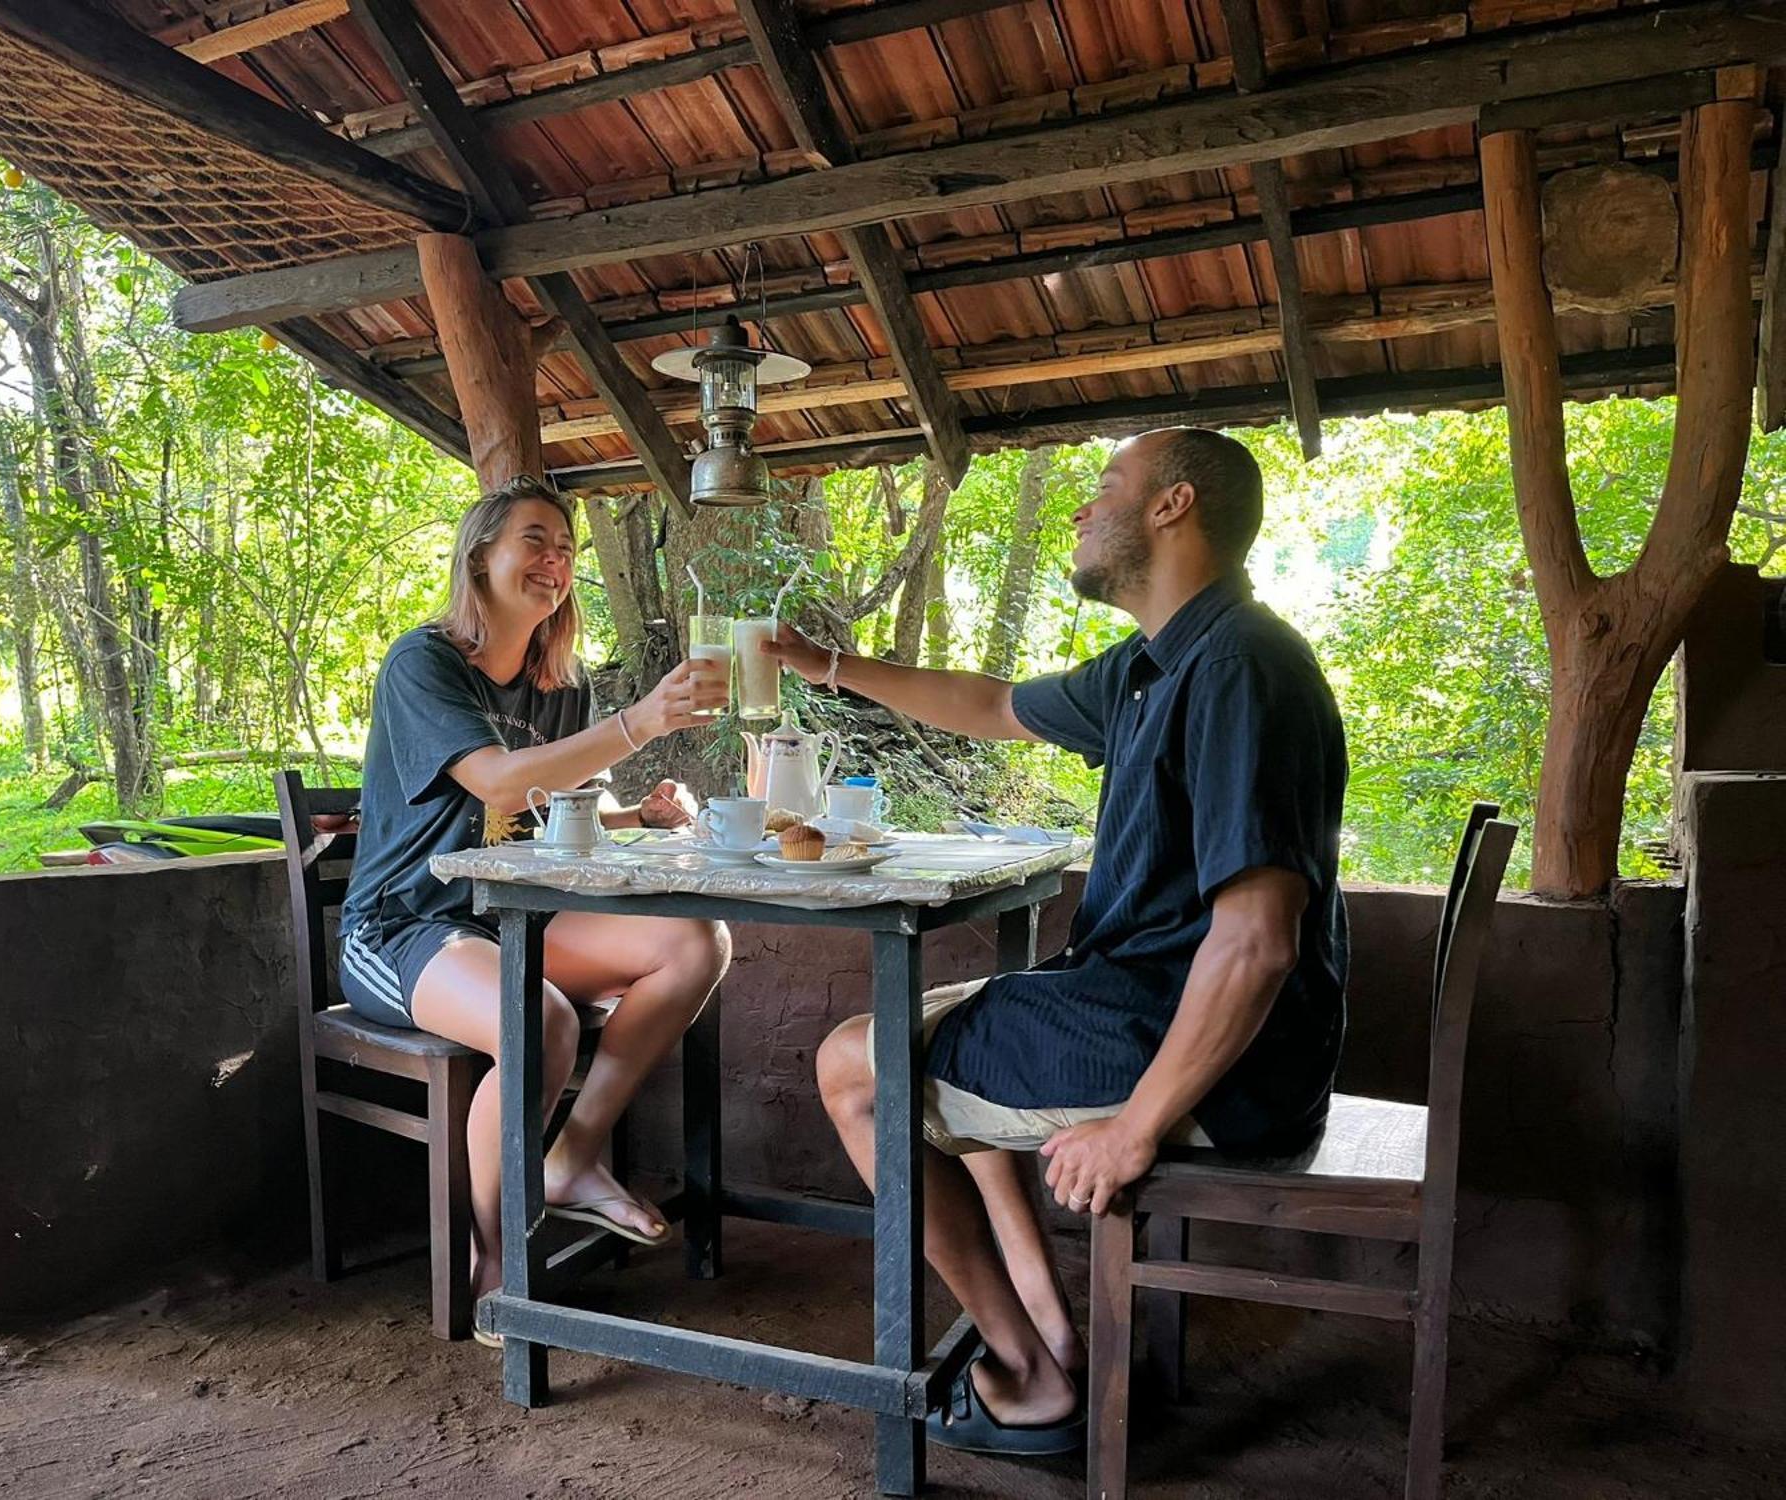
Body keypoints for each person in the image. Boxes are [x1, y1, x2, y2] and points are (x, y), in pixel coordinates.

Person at [764, 428, 1348, 1456]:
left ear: (1172, 506)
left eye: (1104, 486)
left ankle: (1030, 1382)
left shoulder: (1240, 670)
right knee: (925, 1027)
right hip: (1135, 1000)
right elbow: (989, 705)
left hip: (1219, 1060)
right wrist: (822, 665)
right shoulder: (1151, 665)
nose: (1081, 509)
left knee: (854, 1066)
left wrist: (1132, 1131)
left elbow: (1256, 942)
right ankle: (1046, 1330)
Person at [339, 474, 732, 1322]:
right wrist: (643, 722)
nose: (555, 561)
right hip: (406, 926)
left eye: (565, 548)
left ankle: (574, 1157)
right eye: (535, 541)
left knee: (696, 942)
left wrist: (639, 813)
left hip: (511, 918)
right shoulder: (424, 663)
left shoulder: (563, 688)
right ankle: (497, 1260)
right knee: (540, 1017)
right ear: (480, 555)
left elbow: (555, 815)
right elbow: (497, 781)